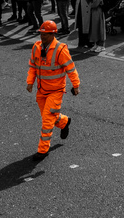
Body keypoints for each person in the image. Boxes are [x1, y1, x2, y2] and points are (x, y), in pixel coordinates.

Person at [25, 19, 81, 161]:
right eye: (41, 34)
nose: (42, 37)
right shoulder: (36, 47)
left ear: (53, 35)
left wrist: (76, 85)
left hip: (56, 92)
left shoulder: (61, 49)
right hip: (41, 91)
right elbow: (33, 67)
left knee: (47, 121)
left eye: (46, 34)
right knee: (47, 117)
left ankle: (43, 150)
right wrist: (30, 82)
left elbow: (71, 68)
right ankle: (64, 122)